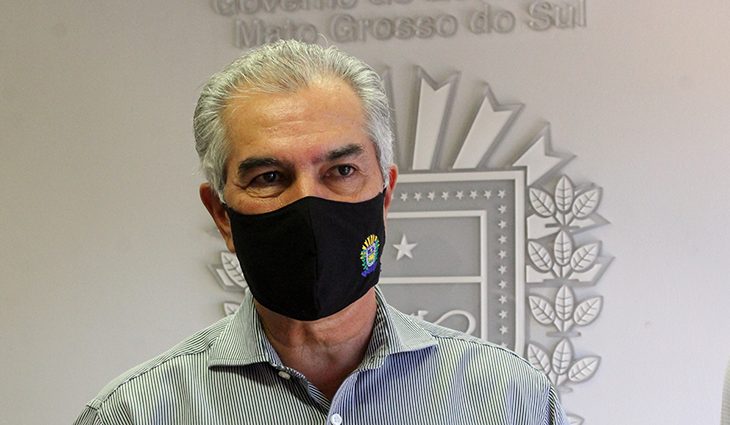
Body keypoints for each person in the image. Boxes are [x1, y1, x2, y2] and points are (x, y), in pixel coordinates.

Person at [74, 39, 568, 425]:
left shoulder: (512, 399)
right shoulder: (132, 414)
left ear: (385, 194)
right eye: (269, 177)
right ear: (222, 214)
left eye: (342, 171)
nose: (308, 205)